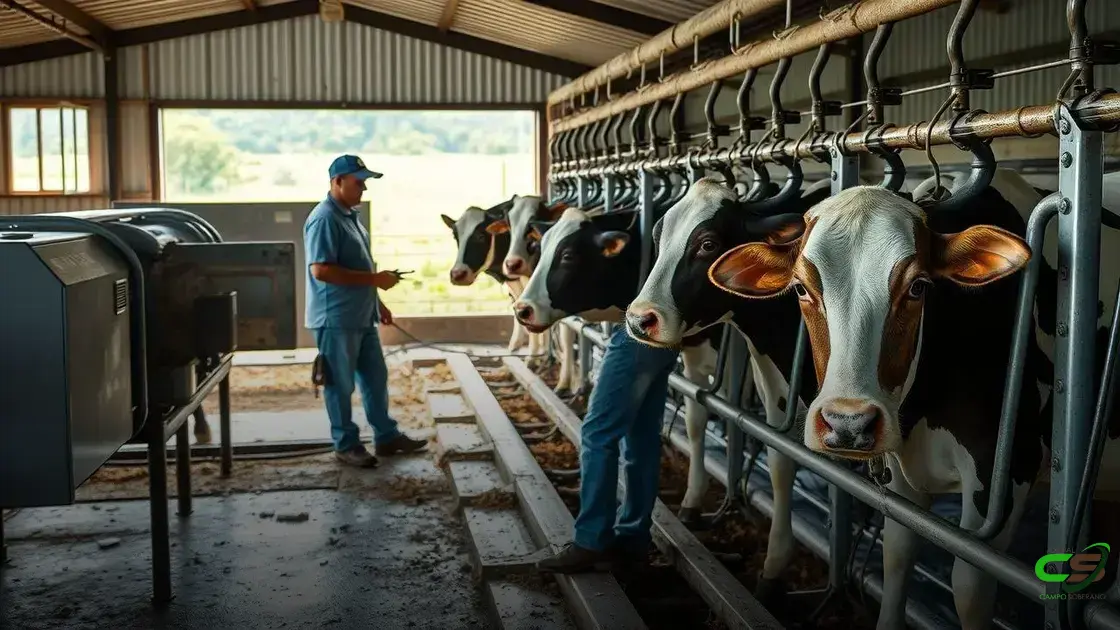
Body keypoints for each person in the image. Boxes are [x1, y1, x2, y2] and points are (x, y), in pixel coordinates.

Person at [304, 154, 428, 468]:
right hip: (336, 319)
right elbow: (321, 270)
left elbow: (359, 266)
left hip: (361, 315)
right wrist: (375, 280)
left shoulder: (348, 215)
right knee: (340, 384)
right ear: (337, 182)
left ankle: (386, 437)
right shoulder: (324, 218)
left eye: (365, 183)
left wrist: (378, 302)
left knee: (375, 378)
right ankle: (345, 444)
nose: (363, 189)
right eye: (359, 182)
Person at [535, 326, 680, 572]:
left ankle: (591, 539)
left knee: (598, 433)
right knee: (641, 439)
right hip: (667, 334)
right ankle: (632, 540)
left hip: (637, 331)